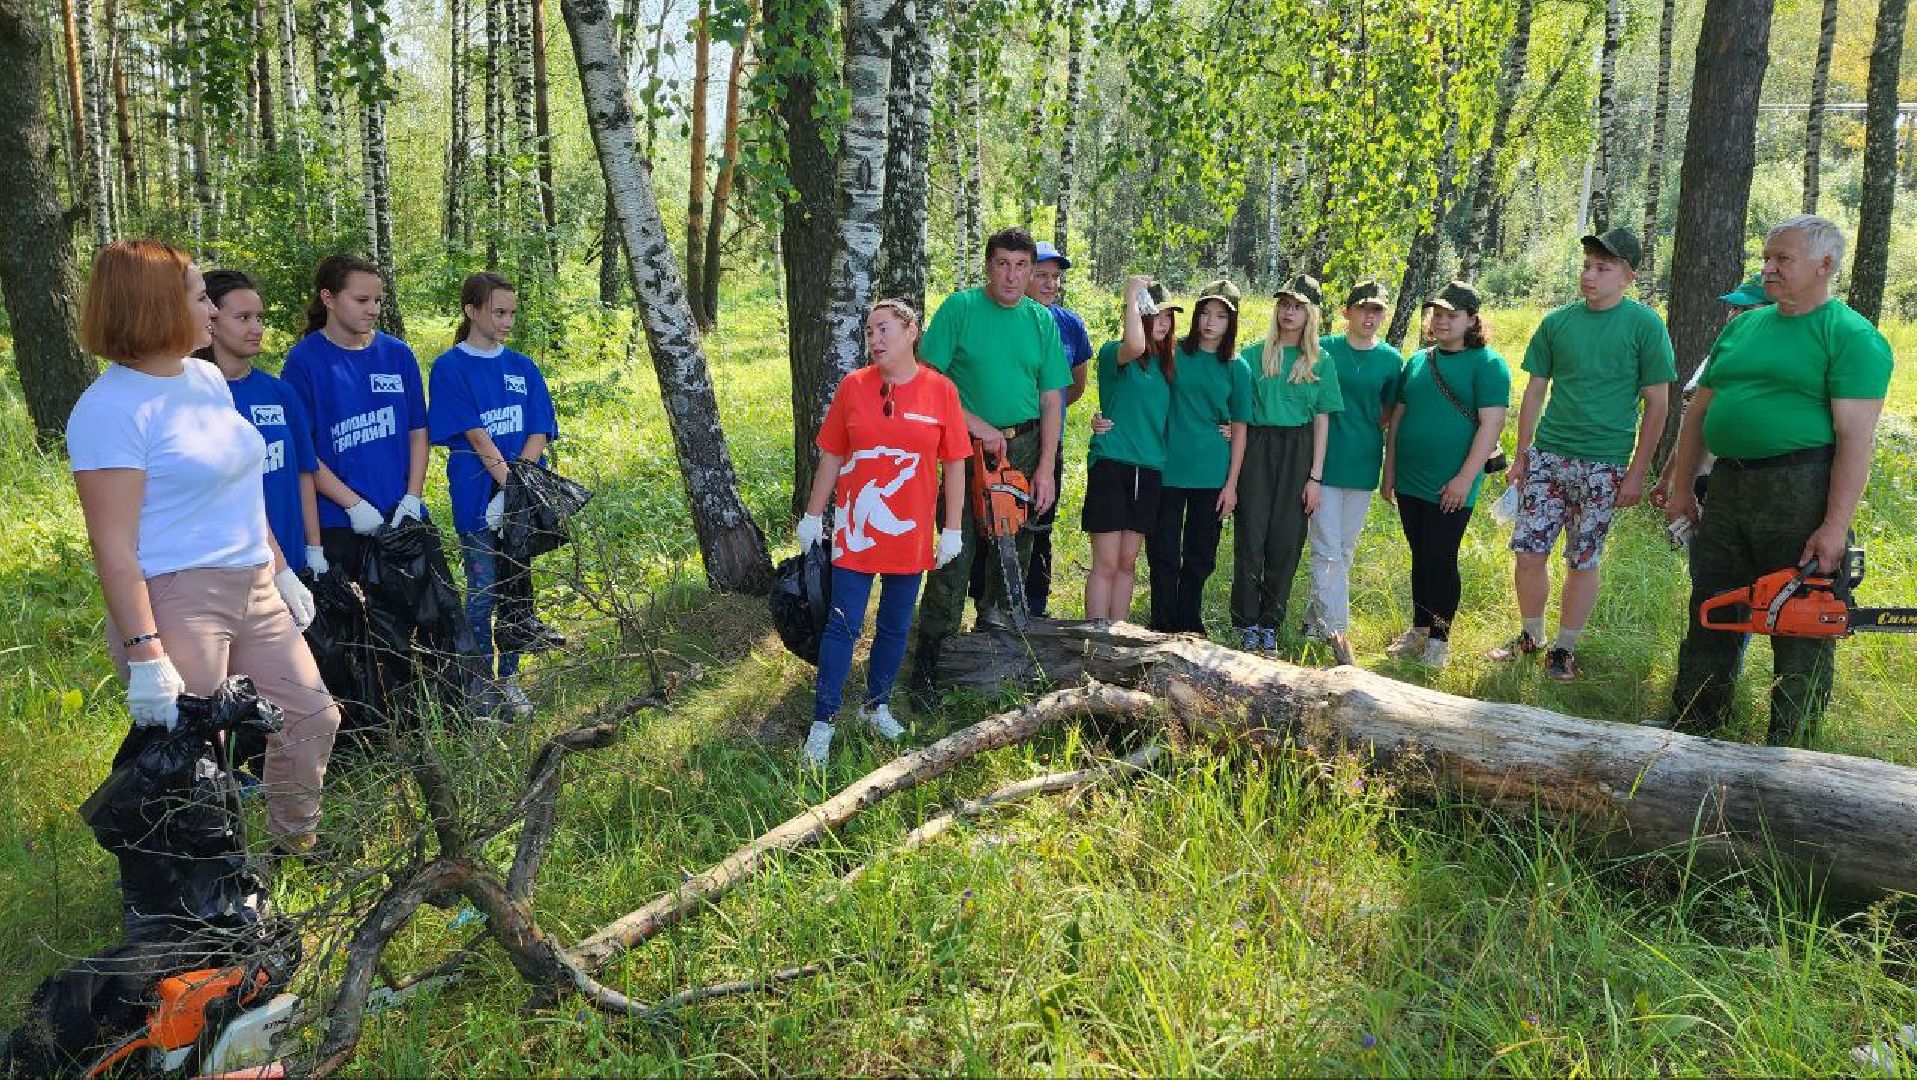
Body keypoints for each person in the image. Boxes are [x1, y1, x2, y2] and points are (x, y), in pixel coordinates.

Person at [65, 239, 341, 858]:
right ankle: (202, 896)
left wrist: (279, 568)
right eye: (197, 297)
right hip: (177, 595)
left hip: (254, 583)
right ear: (153, 307)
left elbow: (241, 489)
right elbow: (112, 545)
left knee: (312, 717)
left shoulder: (205, 378)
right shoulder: (109, 409)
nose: (211, 312)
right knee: (195, 757)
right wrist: (144, 654)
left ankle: (292, 847)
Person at [1657, 215, 1894, 748]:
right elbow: (1699, 411)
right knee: (1713, 604)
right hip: (1727, 488)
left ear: (1824, 265)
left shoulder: (1851, 336)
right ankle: (1693, 725)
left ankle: (1791, 748)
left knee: (1803, 618)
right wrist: (1681, 489)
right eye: (1767, 257)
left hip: (1801, 488)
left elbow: (1856, 440)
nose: (1768, 268)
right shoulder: (1744, 326)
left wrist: (1834, 527)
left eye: (1782, 259)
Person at [1488, 228, 1674, 681]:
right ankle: (1531, 637)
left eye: (1602, 268)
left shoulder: (1645, 326)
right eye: (1586, 266)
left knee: (1582, 559)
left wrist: (1636, 473)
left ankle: (1565, 649)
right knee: (1528, 553)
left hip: (1604, 465)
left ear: (1628, 276)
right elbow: (1534, 391)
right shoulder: (1557, 322)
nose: (1590, 276)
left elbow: (1659, 404)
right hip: (1548, 457)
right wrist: (1522, 453)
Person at [798, 299, 969, 764]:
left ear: (912, 332)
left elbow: (954, 463)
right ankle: (823, 720)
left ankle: (876, 706)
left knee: (894, 626)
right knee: (842, 624)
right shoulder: (853, 387)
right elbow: (831, 454)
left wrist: (951, 529)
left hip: (909, 532)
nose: (874, 340)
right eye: (869, 332)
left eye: (883, 330)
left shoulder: (941, 391)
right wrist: (813, 517)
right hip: (855, 530)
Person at [908, 227, 1071, 700]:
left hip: (1022, 445)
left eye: (1021, 266)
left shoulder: (1041, 320)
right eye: (1003, 264)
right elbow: (926, 381)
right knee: (953, 552)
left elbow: (1051, 399)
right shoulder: (960, 309)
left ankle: (993, 652)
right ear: (988, 266)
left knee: (1013, 548)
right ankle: (929, 659)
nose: (1012, 276)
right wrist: (973, 423)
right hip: (964, 449)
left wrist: (1044, 467)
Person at [427, 272, 560, 720]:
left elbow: (539, 429)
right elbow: (478, 438)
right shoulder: (451, 367)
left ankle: (511, 679)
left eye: (511, 313)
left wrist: (517, 494)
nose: (507, 321)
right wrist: (504, 491)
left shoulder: (522, 366)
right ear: (472, 310)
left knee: (517, 592)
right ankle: (481, 683)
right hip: (476, 497)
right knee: (483, 590)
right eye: (498, 312)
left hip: (519, 500)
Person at [1381, 280, 1511, 669]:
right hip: (1410, 478)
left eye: (1451, 315)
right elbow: (1398, 419)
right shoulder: (1419, 361)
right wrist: (1389, 473)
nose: (1441, 321)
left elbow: (1491, 426)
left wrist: (1464, 479)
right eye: (1436, 314)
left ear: (1472, 320)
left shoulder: (1488, 365)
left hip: (1452, 483)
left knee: (1441, 556)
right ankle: (1419, 629)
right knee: (1419, 556)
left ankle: (1440, 638)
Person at [281, 255, 430, 566]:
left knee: (428, 611)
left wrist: (413, 496)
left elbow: (417, 431)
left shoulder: (397, 355)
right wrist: (352, 505)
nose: (373, 309)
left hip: (400, 514)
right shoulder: (304, 361)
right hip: (339, 521)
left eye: (378, 300)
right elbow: (301, 449)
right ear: (328, 298)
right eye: (362, 300)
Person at [1231, 274, 1341, 652]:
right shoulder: (1252, 355)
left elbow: (1323, 420)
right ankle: (1245, 622)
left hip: (1299, 449)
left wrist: (1315, 476)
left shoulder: (1321, 361)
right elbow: (1231, 406)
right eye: (1284, 305)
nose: (1289, 313)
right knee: (1251, 533)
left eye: (1297, 307)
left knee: (1286, 539)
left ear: (1310, 314)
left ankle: (1270, 622)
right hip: (1258, 447)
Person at [197, 269, 325, 578]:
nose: (256, 328)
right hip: (224, 566)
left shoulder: (280, 393)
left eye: (259, 318)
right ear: (210, 320)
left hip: (290, 558)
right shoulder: (192, 397)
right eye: (243, 318)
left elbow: (303, 472)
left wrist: (314, 548)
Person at [1147, 278, 1252, 636]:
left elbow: (1239, 429)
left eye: (1220, 316)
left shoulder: (1238, 368)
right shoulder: (1173, 353)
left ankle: (1189, 621)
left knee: (1200, 552)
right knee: (1163, 549)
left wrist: (1232, 485)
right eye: (1205, 313)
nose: (1210, 322)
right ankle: (1161, 621)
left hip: (1212, 472)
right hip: (1168, 466)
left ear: (1231, 322)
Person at [1308, 280, 1403, 665]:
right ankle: (1338, 634)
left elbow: (1387, 412)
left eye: (1377, 310)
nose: (1369, 316)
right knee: (1326, 548)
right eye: (1362, 308)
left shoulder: (1391, 359)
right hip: (1325, 461)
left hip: (1363, 460)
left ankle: (1314, 622)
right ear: (1346, 311)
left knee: (1344, 550)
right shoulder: (1325, 347)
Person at [1083, 277, 1178, 622]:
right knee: (1106, 563)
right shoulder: (1115, 354)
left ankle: (1118, 633)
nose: (1163, 323)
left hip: (1149, 469)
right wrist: (1131, 296)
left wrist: (1227, 427)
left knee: (1127, 563)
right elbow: (1135, 345)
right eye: (1155, 315)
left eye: (1169, 316)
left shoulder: (1167, 365)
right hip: (1112, 465)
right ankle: (1096, 634)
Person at [1018, 240, 1093, 618]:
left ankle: (1036, 603)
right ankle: (993, 602)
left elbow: (1075, 386)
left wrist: (1049, 418)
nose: (1050, 284)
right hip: (1007, 437)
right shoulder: (1012, 318)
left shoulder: (1069, 325)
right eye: (1042, 275)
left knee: (1041, 520)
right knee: (1000, 519)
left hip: (1050, 441)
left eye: (1056, 278)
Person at [1656, 272, 1773, 511]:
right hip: (1702, 483)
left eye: (1746, 308)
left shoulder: (1773, 368)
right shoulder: (1716, 359)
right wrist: (1670, 478)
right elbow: (1690, 422)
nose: (1734, 315)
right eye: (1733, 308)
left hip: (1742, 486)